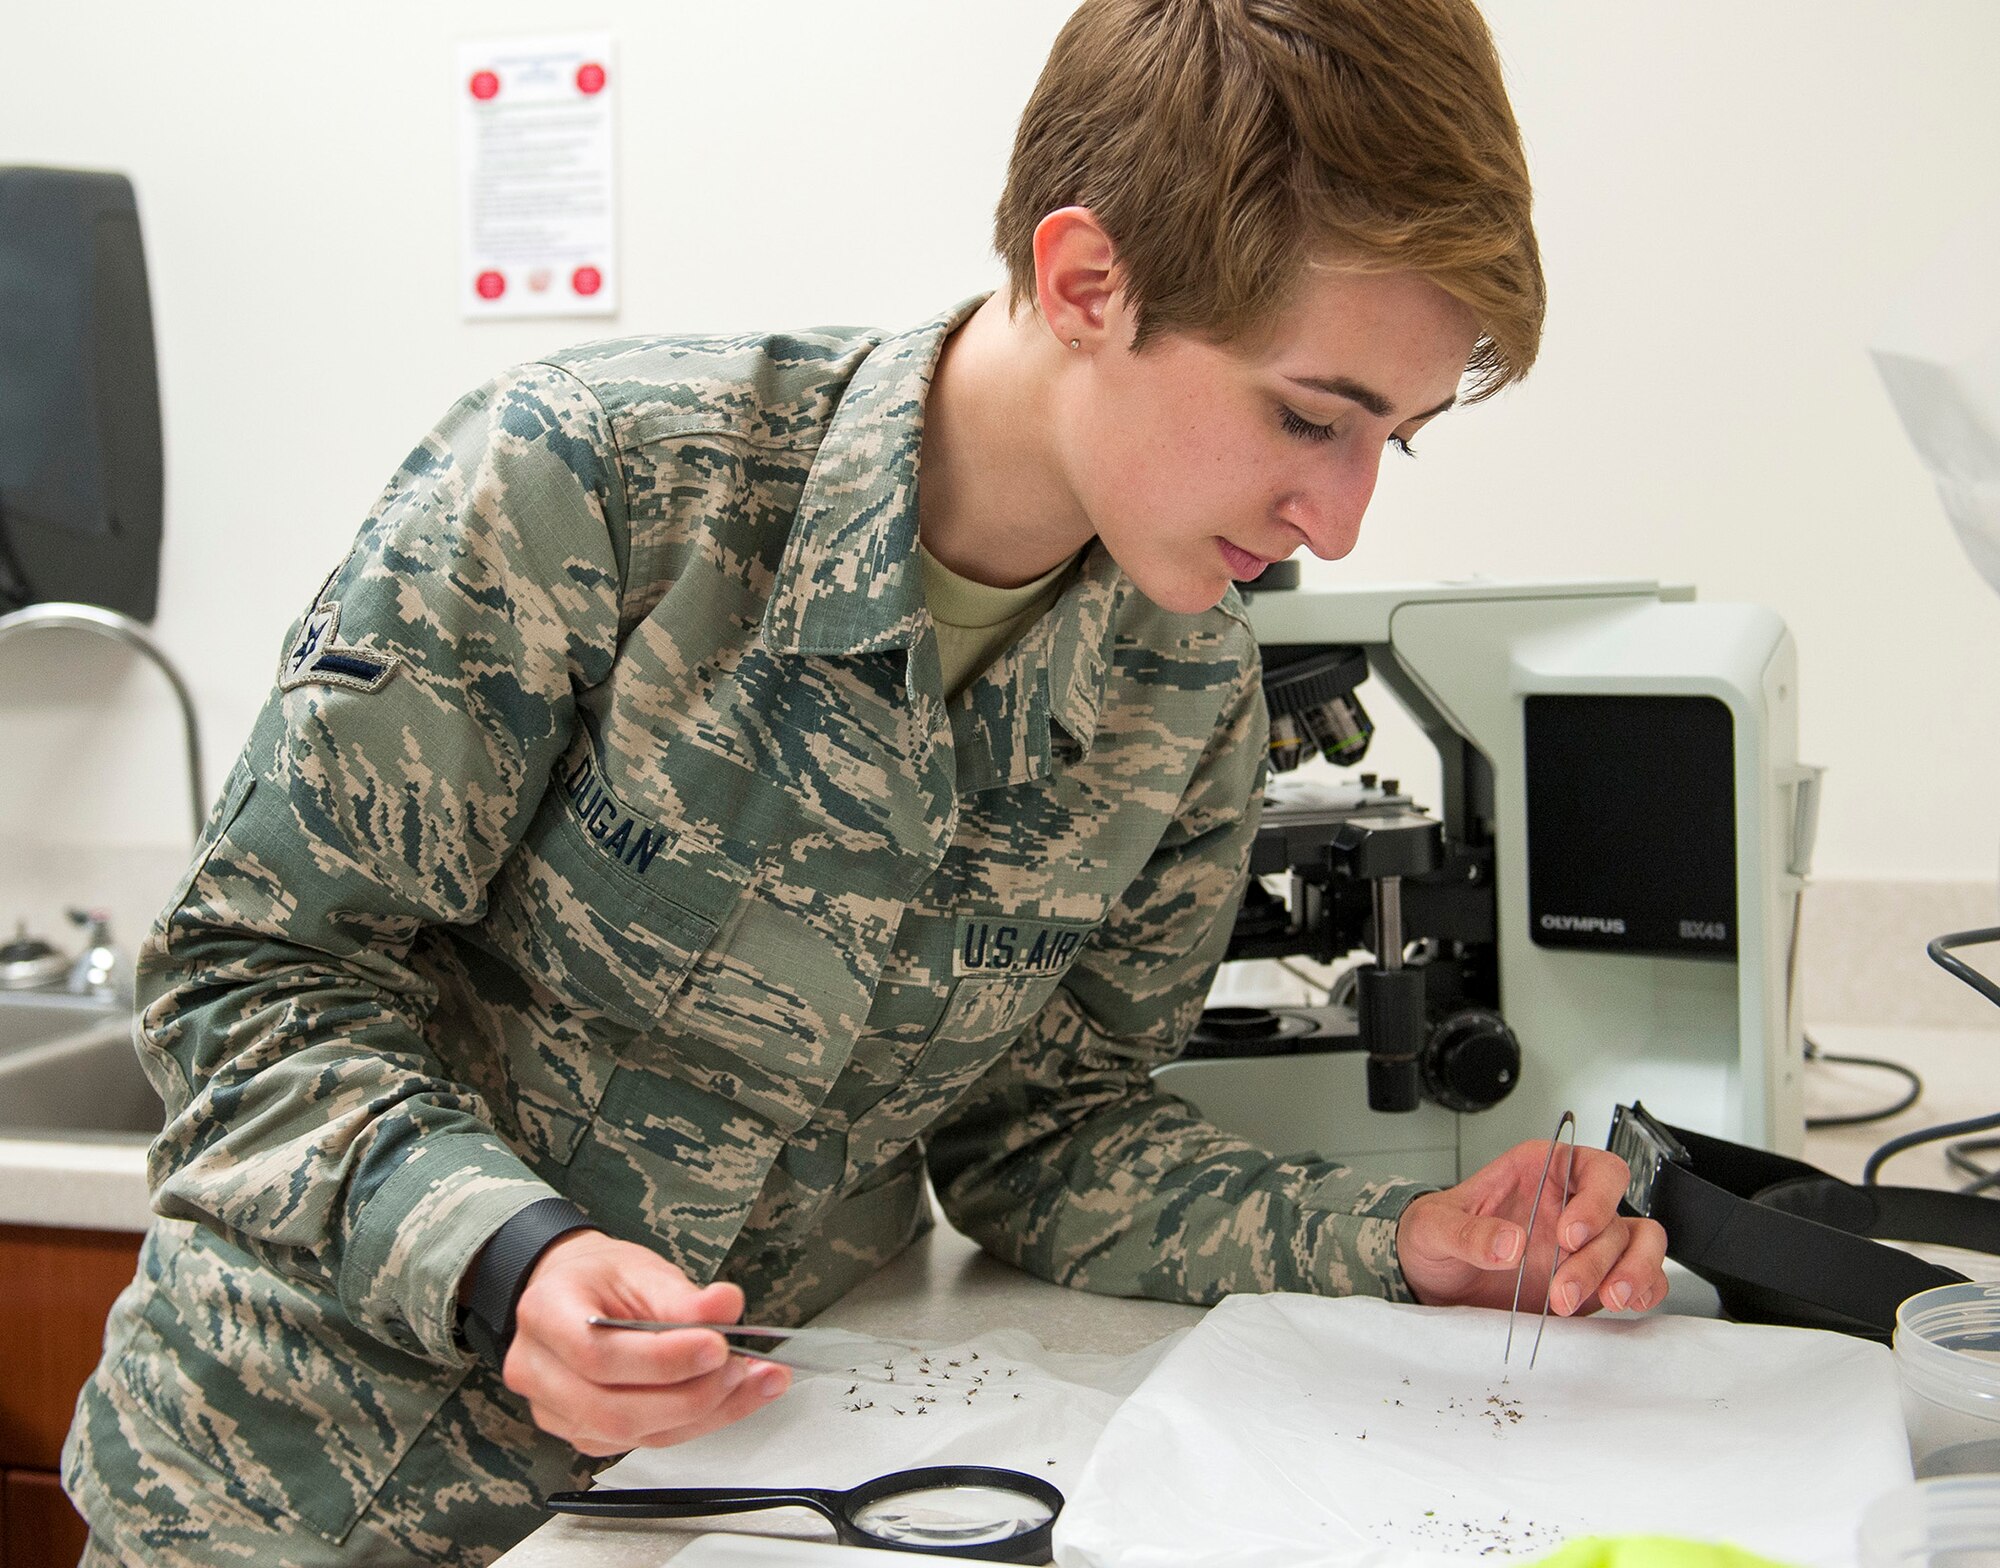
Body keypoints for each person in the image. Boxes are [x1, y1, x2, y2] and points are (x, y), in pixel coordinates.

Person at [66, 1, 1667, 1562]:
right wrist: (502, 1257)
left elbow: (1047, 1138)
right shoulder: (597, 488)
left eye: (1395, 437)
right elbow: (252, 982)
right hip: (280, 1495)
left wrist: (1397, 1240)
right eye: (1310, 417)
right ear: (1089, 278)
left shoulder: (1182, 696)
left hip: (722, 1506)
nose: (1342, 519)